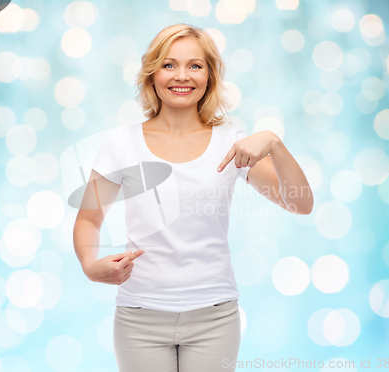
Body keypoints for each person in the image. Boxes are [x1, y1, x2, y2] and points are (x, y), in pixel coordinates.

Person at [73, 23, 313, 372]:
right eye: (169, 65)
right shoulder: (121, 144)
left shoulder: (231, 141)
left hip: (214, 317)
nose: (181, 76)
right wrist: (90, 266)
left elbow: (301, 204)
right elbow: (88, 218)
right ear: (152, 75)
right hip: (140, 316)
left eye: (195, 65)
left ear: (209, 76)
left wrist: (275, 143)